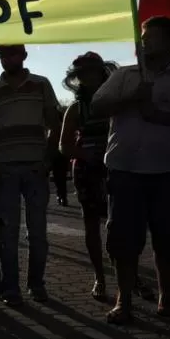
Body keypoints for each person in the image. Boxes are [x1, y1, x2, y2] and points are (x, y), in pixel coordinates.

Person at [92, 16, 170, 324]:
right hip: (124, 171)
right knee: (123, 240)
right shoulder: (124, 75)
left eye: (152, 37)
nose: (144, 42)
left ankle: (167, 299)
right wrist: (132, 97)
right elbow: (97, 106)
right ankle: (124, 301)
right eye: (143, 37)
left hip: (168, 172)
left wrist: (158, 115)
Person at [0, 44, 61, 306]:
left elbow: (54, 123)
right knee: (8, 234)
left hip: (36, 168)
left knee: (37, 232)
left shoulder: (41, 84)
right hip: (5, 169)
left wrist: (48, 159)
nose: (8, 59)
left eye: (13, 54)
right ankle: (11, 287)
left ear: (24, 56)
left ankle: (36, 284)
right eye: (3, 55)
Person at [59, 52, 115, 301]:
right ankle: (100, 278)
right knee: (91, 225)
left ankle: (129, 277)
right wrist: (86, 154)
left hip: (116, 167)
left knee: (120, 225)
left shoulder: (116, 101)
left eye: (91, 71)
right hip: (87, 170)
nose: (86, 76)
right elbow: (64, 145)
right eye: (81, 73)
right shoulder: (75, 108)